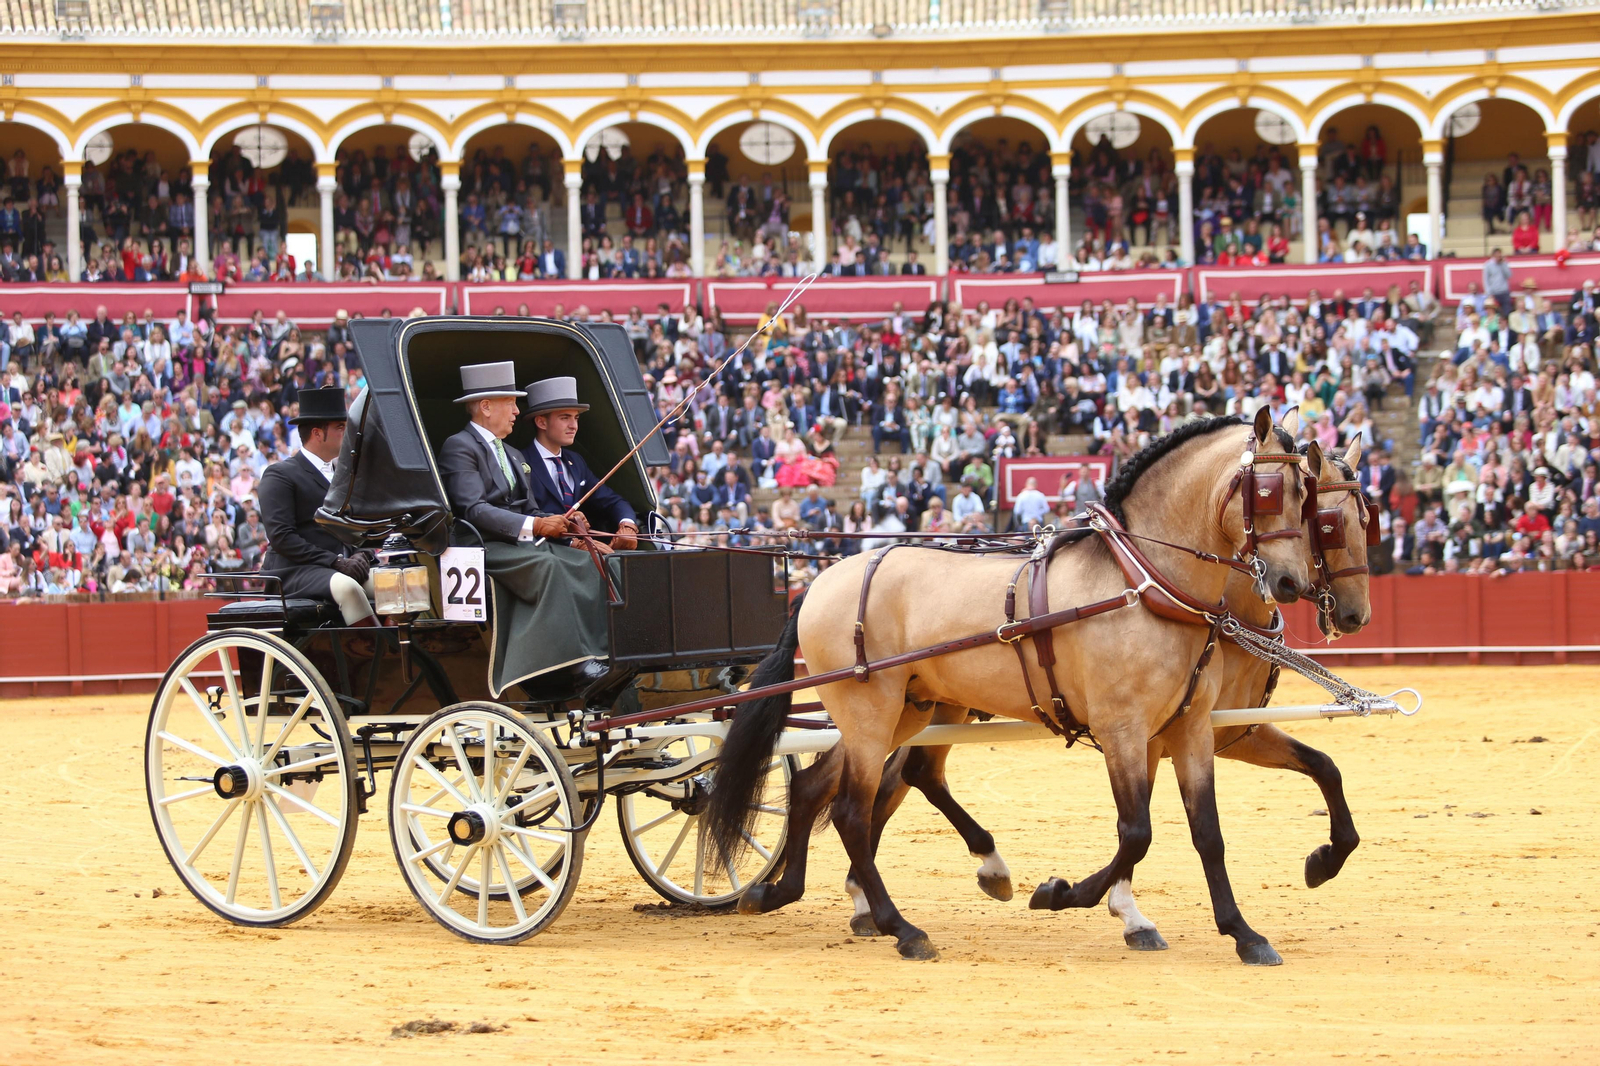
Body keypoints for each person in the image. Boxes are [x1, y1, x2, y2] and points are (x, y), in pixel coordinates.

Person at [436, 362, 609, 696]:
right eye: (510, 403)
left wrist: (566, 522)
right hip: (483, 544)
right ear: (486, 407)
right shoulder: (459, 447)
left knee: (586, 561)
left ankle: (600, 651)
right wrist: (536, 525)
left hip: (518, 539)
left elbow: (529, 508)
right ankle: (569, 662)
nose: (518, 411)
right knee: (548, 566)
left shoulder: (513, 454)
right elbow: (473, 508)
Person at [256, 387, 378, 627]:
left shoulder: (346, 475)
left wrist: (363, 554)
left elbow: (361, 527)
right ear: (317, 433)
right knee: (348, 588)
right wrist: (337, 562)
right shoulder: (280, 474)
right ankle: (377, 655)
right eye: (340, 428)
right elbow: (282, 537)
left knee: (398, 582)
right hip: (295, 571)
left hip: (340, 567)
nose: (348, 433)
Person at [519, 375, 639, 551]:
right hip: (541, 553)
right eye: (565, 418)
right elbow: (524, 517)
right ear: (541, 422)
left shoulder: (576, 462)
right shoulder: (520, 461)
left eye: (576, 418)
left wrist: (627, 525)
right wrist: (575, 543)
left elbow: (612, 500)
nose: (573, 425)